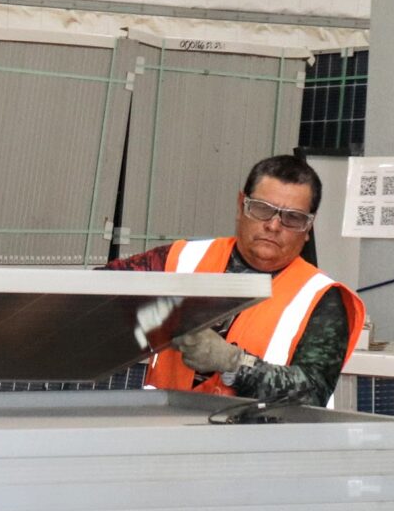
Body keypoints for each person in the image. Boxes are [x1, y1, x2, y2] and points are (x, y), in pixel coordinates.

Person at [106, 154, 365, 408]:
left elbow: (313, 392)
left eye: (293, 218)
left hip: (255, 435)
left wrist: (235, 364)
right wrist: (152, 320)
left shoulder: (321, 297)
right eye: (262, 209)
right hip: (164, 427)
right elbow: (100, 293)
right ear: (241, 206)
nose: (274, 226)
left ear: (308, 227)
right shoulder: (181, 259)